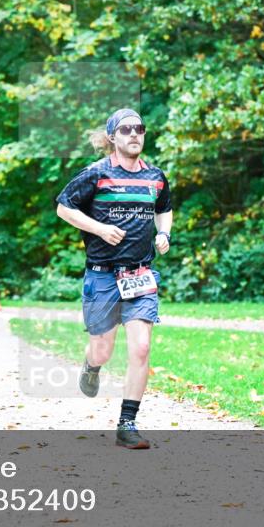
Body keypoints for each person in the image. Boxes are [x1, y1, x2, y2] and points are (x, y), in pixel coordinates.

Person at [55, 108, 173, 449]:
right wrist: (99, 228)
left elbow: (164, 207)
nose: (134, 134)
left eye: (139, 128)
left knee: (141, 347)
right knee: (103, 350)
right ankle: (91, 366)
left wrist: (164, 235)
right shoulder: (95, 174)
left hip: (140, 275)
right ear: (112, 137)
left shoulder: (155, 176)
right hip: (102, 277)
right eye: (125, 130)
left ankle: (127, 424)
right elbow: (64, 207)